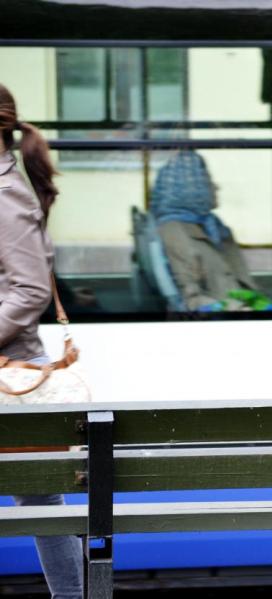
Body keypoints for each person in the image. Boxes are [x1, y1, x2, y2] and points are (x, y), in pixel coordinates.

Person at [0, 84, 84, 598]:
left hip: (12, 372)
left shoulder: (6, 196)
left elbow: (29, 291)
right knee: (39, 501)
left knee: (39, 501)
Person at [150, 149, 272, 312]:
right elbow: (189, 298)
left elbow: (237, 281)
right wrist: (237, 310)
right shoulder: (174, 232)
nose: (216, 187)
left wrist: (257, 303)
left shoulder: (213, 226)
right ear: (191, 189)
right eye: (208, 181)